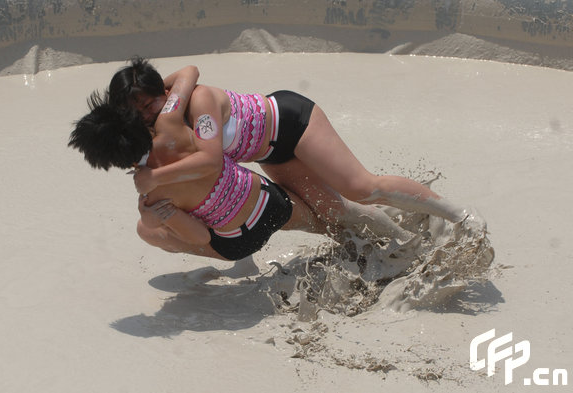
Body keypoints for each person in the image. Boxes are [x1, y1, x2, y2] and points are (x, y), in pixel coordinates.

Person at [108, 57, 485, 235]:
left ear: (165, 92)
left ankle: (456, 213)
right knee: (335, 212)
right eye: (136, 111)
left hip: (291, 121)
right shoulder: (165, 129)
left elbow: (209, 158)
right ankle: (406, 244)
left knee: (362, 188)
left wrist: (153, 175)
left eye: (149, 103)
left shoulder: (198, 100)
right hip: (271, 153)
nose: (145, 114)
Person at [69, 91, 339, 261]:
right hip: (270, 203)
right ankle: (353, 239)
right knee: (326, 225)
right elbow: (188, 76)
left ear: (110, 161)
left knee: (147, 229)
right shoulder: (171, 120)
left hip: (240, 242)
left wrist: (163, 215)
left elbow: (200, 238)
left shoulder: (152, 194)